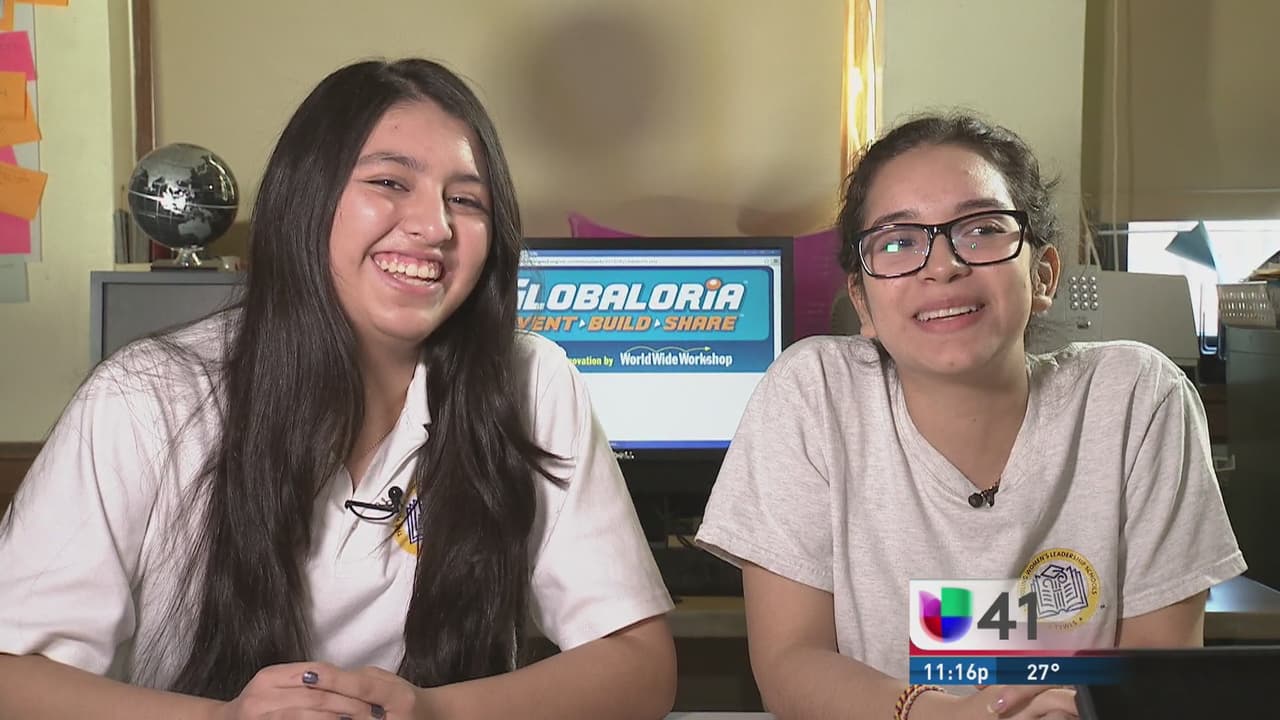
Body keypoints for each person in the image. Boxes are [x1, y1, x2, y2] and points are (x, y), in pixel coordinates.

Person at [0, 58, 676, 720]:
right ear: (307, 198)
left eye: (465, 200)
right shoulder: (143, 397)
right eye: (390, 182)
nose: (435, 226)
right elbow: (13, 676)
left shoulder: (534, 381)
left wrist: (433, 711)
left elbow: (640, 667)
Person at [695, 113, 1245, 720]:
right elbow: (790, 663)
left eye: (981, 229)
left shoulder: (1137, 397)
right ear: (863, 303)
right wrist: (947, 716)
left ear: (1043, 275)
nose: (942, 266)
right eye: (898, 241)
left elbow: (1158, 677)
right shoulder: (813, 394)